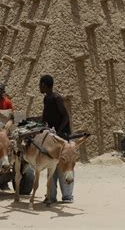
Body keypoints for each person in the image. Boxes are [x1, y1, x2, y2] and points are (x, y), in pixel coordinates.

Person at [38, 74, 73, 203]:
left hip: (62, 136)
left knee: (63, 165)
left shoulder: (57, 98)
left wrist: (59, 132)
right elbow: (45, 116)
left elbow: (65, 117)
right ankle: (51, 196)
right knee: (51, 164)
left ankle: (67, 196)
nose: (39, 87)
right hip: (53, 136)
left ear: (44, 85)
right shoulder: (46, 99)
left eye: (40, 85)